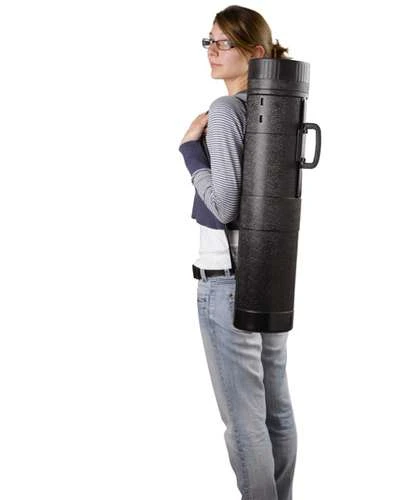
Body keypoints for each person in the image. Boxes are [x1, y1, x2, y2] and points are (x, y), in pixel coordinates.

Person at [178, 6, 297, 500]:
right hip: (270, 270)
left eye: (223, 42)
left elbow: (225, 204)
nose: (212, 50)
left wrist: (190, 150)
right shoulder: (279, 107)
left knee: (244, 420)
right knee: (275, 409)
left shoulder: (227, 111)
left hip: (226, 277)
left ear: (255, 52)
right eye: (208, 40)